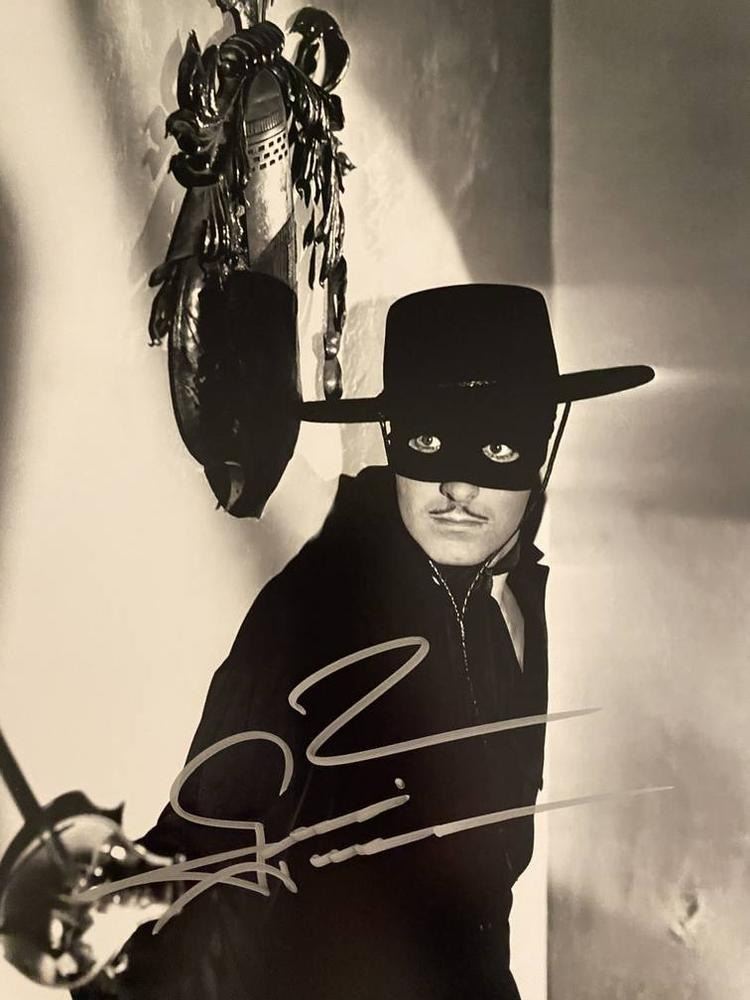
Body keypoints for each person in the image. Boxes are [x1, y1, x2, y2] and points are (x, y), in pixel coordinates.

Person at [83, 284, 653, 1000]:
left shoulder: (507, 595)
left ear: (543, 449)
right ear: (391, 438)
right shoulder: (319, 610)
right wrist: (105, 923)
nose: (457, 486)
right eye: (429, 442)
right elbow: (209, 849)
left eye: (498, 446)